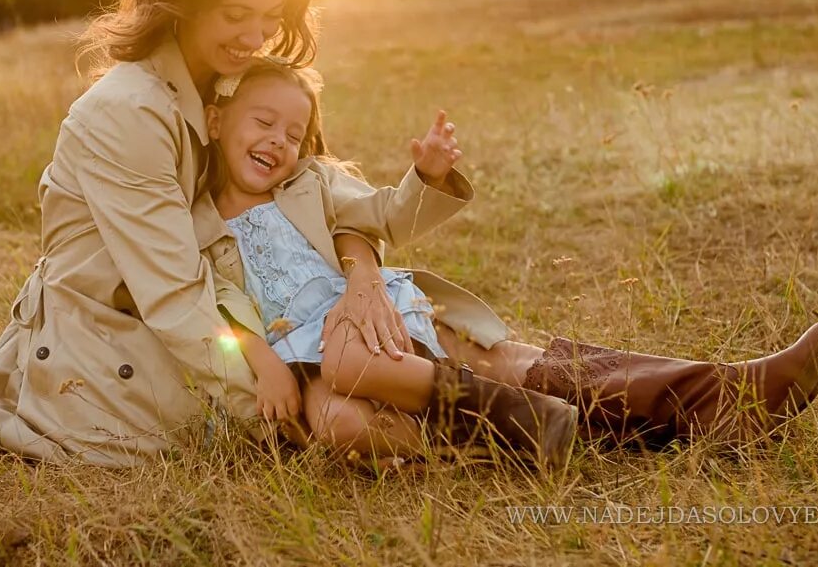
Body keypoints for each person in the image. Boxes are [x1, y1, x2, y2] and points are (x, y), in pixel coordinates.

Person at [0, 0, 818, 467]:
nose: (256, 35)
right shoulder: (127, 111)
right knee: (398, 372)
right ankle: (662, 422)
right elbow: (174, 295)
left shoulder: (231, 83)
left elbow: (321, 184)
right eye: (237, 14)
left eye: (272, 16)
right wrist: (279, 352)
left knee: (444, 344)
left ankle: (716, 397)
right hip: (147, 346)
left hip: (257, 305)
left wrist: (363, 271)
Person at [200, 58, 578, 467]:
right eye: (264, 122)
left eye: (294, 135)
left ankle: (521, 414)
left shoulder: (311, 181)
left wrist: (425, 176)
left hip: (358, 316)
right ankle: (487, 444)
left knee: (346, 359)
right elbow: (218, 303)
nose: (278, 141)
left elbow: (380, 213)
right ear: (215, 122)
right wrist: (265, 363)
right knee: (334, 421)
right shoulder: (196, 222)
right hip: (301, 356)